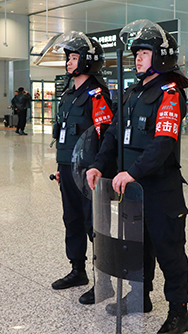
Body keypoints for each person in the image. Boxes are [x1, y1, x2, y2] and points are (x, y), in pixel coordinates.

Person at [87, 20, 188, 334]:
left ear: (161, 56)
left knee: (169, 251)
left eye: (144, 53)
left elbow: (163, 143)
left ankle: (179, 311)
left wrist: (132, 171)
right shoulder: (132, 93)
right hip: (132, 190)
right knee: (137, 247)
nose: (138, 59)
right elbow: (113, 135)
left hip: (160, 189)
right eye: (136, 54)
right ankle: (140, 296)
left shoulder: (170, 93)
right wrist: (98, 165)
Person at [51, 32, 112, 306]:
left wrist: (100, 167)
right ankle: (78, 270)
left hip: (89, 172)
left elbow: (106, 135)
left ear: (87, 61)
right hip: (68, 169)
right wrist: (61, 167)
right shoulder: (68, 94)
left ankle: (104, 282)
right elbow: (64, 133)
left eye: (74, 57)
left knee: (94, 225)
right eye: (68, 58)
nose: (68, 62)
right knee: (72, 220)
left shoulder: (96, 95)